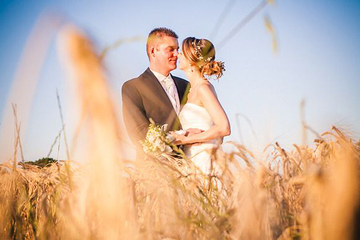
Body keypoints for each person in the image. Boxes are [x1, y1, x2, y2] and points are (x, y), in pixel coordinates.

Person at [121, 28, 189, 154]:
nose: (177, 54)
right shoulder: (133, 87)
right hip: (155, 168)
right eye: (171, 49)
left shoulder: (186, 85)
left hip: (191, 168)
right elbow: (140, 134)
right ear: (153, 51)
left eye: (177, 49)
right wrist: (183, 136)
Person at [172, 37, 231, 174]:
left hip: (204, 159)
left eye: (182, 52)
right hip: (192, 158)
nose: (177, 54)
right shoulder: (191, 90)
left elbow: (224, 128)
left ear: (192, 60)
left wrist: (188, 139)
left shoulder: (203, 89)